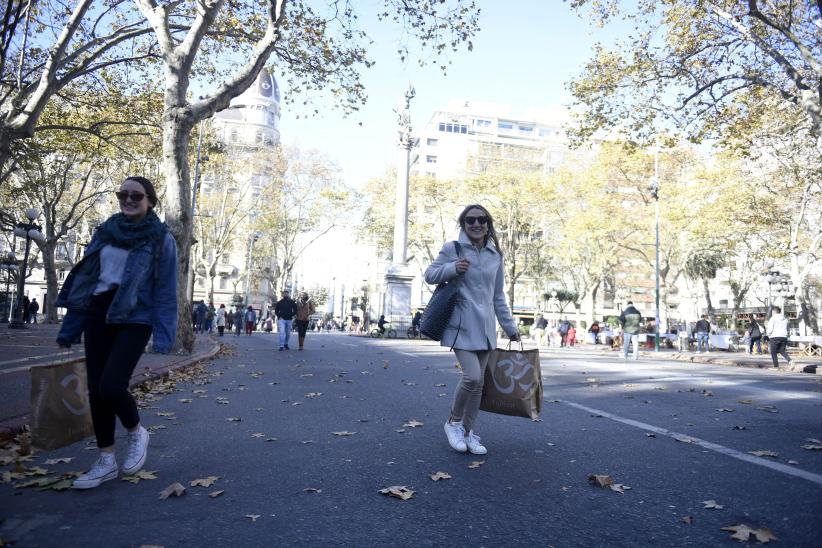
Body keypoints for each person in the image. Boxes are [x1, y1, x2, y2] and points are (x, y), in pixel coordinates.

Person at [55, 175, 177, 489]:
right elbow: (86, 279)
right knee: (96, 389)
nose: (129, 200)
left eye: (136, 195)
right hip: (98, 312)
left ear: (150, 200)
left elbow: (165, 291)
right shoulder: (105, 231)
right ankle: (106, 460)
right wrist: (69, 330)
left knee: (112, 385)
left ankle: (136, 432)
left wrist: (164, 338)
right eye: (123, 194)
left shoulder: (161, 239)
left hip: (135, 316)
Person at [424, 204, 520, 456]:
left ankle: (468, 431)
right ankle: (453, 422)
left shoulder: (495, 255)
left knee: (479, 385)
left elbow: (498, 295)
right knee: (472, 377)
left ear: (488, 224)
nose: (476, 224)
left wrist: (510, 327)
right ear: (464, 224)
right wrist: (452, 268)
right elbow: (430, 274)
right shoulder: (452, 249)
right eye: (470, 220)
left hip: (487, 325)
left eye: (481, 219)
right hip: (461, 323)